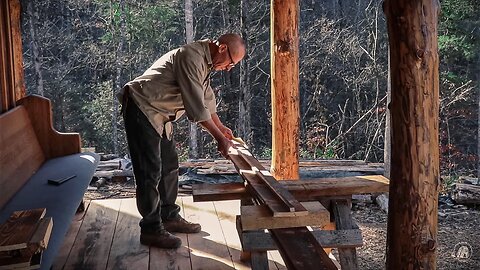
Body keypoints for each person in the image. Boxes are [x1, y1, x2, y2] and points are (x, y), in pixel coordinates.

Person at [117, 33, 246, 249]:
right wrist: (219, 140)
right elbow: (196, 109)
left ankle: (168, 216)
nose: (230, 67)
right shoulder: (191, 57)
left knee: (169, 167)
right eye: (231, 61)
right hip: (142, 107)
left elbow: (207, 101)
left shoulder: (206, 63)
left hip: (160, 114)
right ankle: (150, 229)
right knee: (150, 171)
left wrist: (221, 128)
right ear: (222, 48)